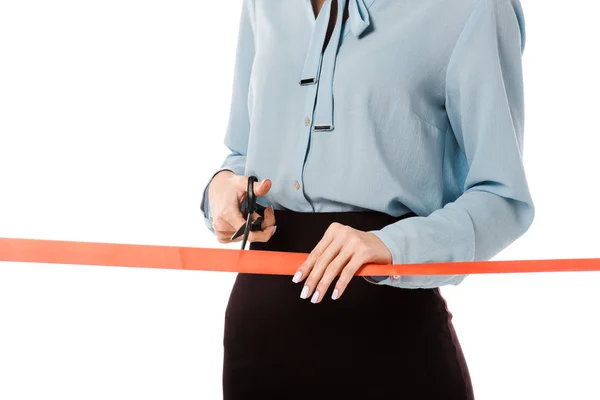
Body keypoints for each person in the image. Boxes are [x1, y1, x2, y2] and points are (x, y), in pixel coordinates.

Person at [200, 0, 534, 398]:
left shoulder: (472, 7)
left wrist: (393, 244)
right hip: (259, 346)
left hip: (392, 344)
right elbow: (241, 152)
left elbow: (503, 197)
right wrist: (221, 189)